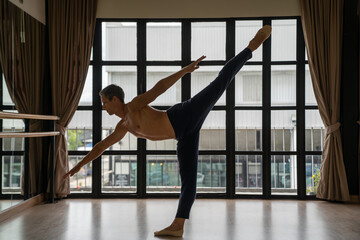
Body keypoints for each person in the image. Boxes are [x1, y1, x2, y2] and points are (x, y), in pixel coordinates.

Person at [63, 25, 272, 237]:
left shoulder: (134, 106)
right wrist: (79, 165)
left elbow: (159, 88)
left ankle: (252, 46)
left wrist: (186, 69)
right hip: (183, 134)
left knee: (220, 82)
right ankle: (178, 226)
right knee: (188, 179)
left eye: (104, 102)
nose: (103, 106)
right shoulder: (122, 126)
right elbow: (101, 147)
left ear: (115, 99)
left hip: (182, 115)